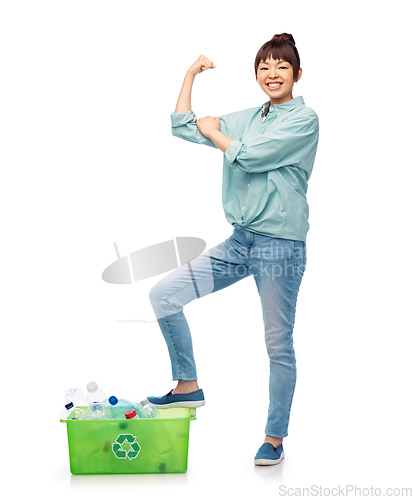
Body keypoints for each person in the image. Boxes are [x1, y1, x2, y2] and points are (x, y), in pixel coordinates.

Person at [141, 33, 319, 466]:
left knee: (278, 345)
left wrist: (216, 134)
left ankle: (274, 439)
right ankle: (187, 385)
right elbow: (183, 126)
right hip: (240, 242)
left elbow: (251, 158)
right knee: (163, 295)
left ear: (297, 74)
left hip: (280, 248)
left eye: (281, 67)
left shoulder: (304, 120)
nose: (272, 74)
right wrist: (189, 76)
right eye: (264, 67)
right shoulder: (250, 117)